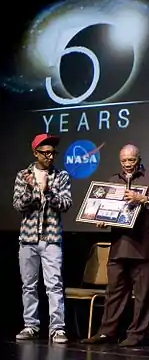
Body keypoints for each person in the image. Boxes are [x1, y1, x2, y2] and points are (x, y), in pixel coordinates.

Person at [81, 144, 149, 347]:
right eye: (124, 161)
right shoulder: (113, 181)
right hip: (119, 246)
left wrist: (144, 199)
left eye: (131, 160)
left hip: (145, 245)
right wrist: (101, 217)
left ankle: (136, 335)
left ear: (139, 158)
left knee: (143, 296)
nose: (128, 164)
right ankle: (107, 332)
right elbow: (107, 209)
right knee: (114, 292)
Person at [13, 134, 72, 343]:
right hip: (28, 239)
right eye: (45, 153)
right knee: (28, 286)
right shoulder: (24, 175)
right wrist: (31, 189)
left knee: (54, 284)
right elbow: (19, 205)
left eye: (52, 153)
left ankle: (57, 328)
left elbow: (65, 204)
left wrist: (46, 191)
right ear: (35, 153)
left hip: (51, 238)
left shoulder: (61, 175)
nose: (49, 157)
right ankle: (31, 325)